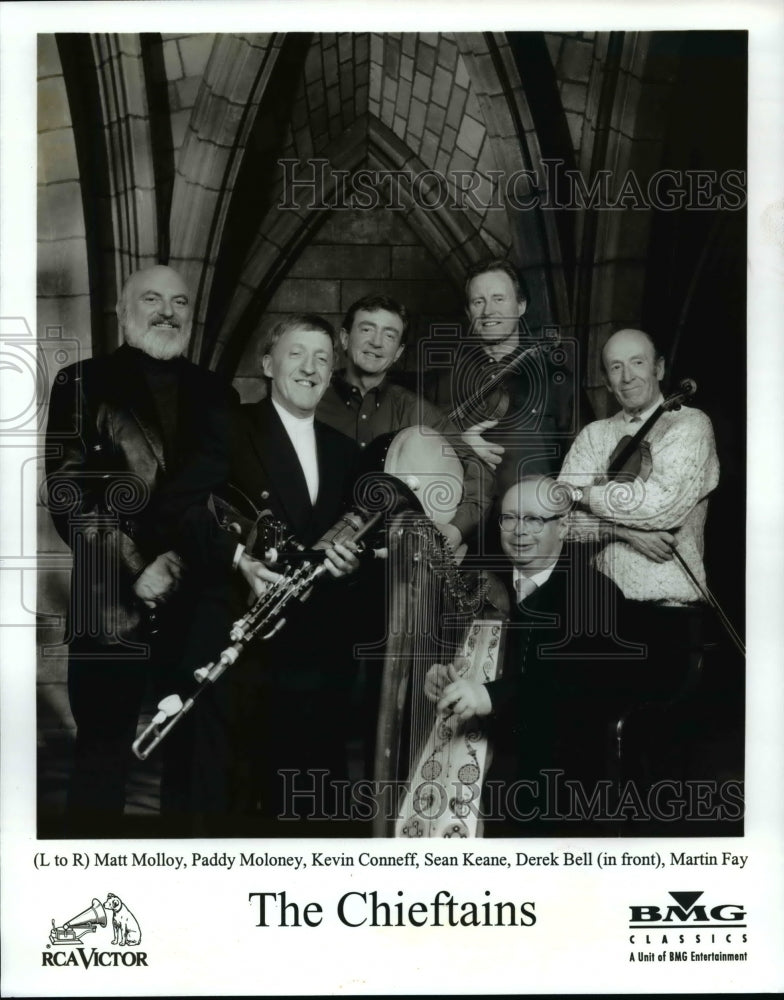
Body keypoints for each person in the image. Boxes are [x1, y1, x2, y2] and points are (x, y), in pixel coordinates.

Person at [44, 264, 244, 835]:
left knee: (189, 757)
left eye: (179, 301)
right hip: (108, 600)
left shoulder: (218, 392)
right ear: (122, 310)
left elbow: (225, 496)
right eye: (152, 298)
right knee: (101, 758)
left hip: (195, 598)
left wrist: (197, 558)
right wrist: (139, 566)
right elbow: (67, 491)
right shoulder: (80, 382)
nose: (167, 311)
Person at [173, 313, 362, 835]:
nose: (310, 367)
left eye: (323, 358)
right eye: (297, 353)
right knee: (227, 804)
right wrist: (240, 560)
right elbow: (182, 508)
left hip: (313, 656)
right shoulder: (228, 425)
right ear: (267, 363)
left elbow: (348, 544)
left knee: (305, 807)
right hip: (238, 646)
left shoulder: (346, 452)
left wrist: (349, 564)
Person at [425, 476, 643, 836]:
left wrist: (489, 695)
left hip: (557, 771)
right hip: (480, 751)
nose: (519, 531)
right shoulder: (482, 587)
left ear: (564, 527)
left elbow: (576, 687)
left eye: (534, 520)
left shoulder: (594, 594)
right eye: (509, 518)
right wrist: (440, 678)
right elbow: (454, 661)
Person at [316, 293, 489, 551]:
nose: (376, 342)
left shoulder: (417, 410)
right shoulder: (311, 401)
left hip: (394, 562)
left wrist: (455, 528)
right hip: (320, 553)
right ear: (343, 339)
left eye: (389, 335)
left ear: (398, 352)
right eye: (366, 329)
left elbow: (479, 471)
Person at [425, 258, 573, 500]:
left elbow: (582, 470)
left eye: (499, 299)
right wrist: (458, 447)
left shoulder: (559, 383)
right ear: (468, 312)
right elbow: (415, 457)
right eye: (478, 302)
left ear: (521, 305)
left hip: (531, 529)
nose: (488, 311)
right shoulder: (439, 383)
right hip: (459, 530)